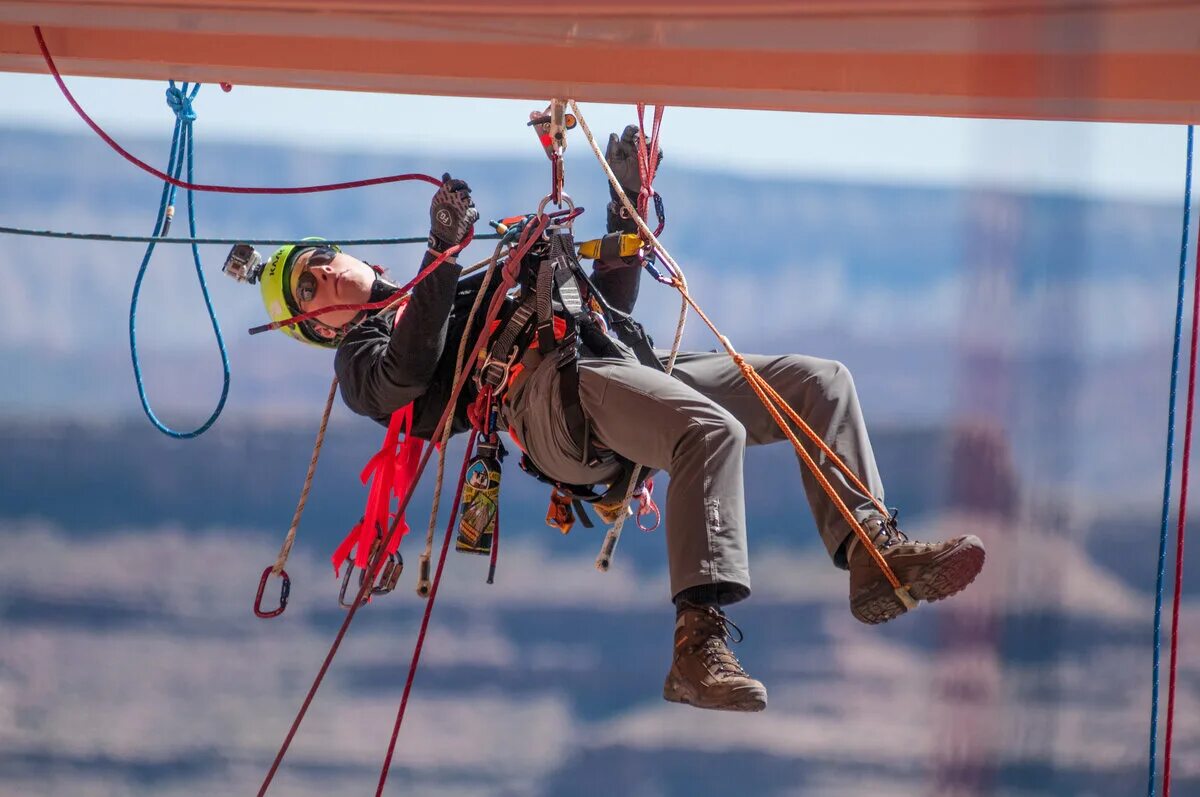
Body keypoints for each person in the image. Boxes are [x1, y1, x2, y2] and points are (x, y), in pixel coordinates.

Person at [245, 126, 985, 713]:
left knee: (819, 384)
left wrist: (621, 199)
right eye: (310, 290)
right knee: (710, 431)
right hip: (551, 405)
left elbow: (612, 304)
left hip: (608, 361)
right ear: (318, 329)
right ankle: (698, 643)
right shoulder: (361, 361)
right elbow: (407, 373)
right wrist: (442, 256)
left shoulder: (448, 286)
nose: (328, 274)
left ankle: (874, 557)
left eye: (320, 259)